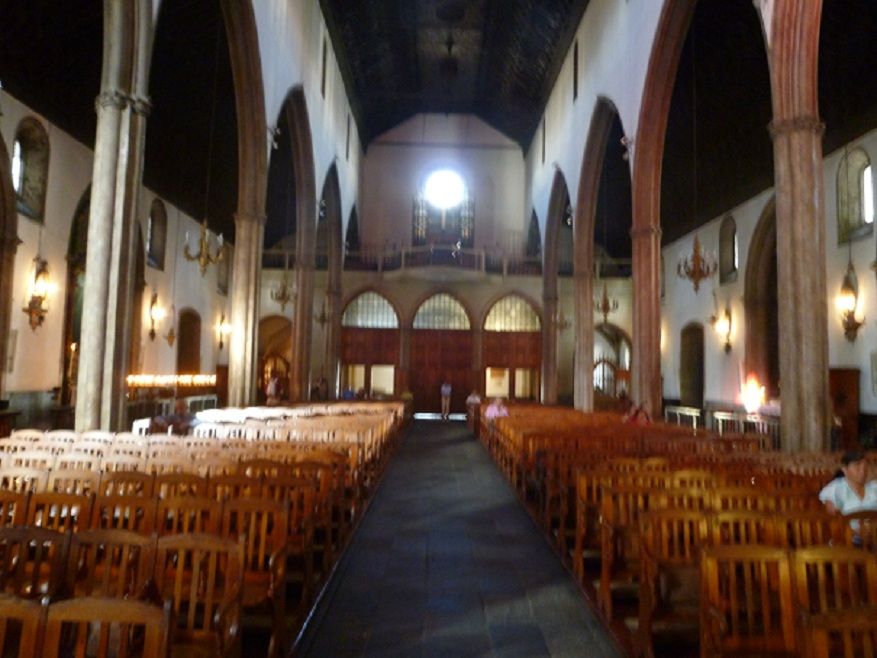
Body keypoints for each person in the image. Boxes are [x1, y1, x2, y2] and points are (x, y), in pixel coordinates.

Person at [819, 450, 877, 516]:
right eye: (857, 466)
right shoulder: (835, 489)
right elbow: (833, 517)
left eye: (865, 466)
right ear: (845, 469)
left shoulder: (874, 487)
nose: (862, 471)